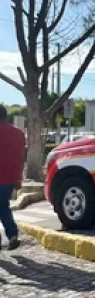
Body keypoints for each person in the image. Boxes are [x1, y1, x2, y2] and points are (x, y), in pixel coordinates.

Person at [0, 105, 25, 251]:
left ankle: (12, 233)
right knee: (2, 205)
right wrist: (19, 178)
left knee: (2, 206)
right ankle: (12, 234)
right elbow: (22, 158)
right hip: (10, 177)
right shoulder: (18, 133)